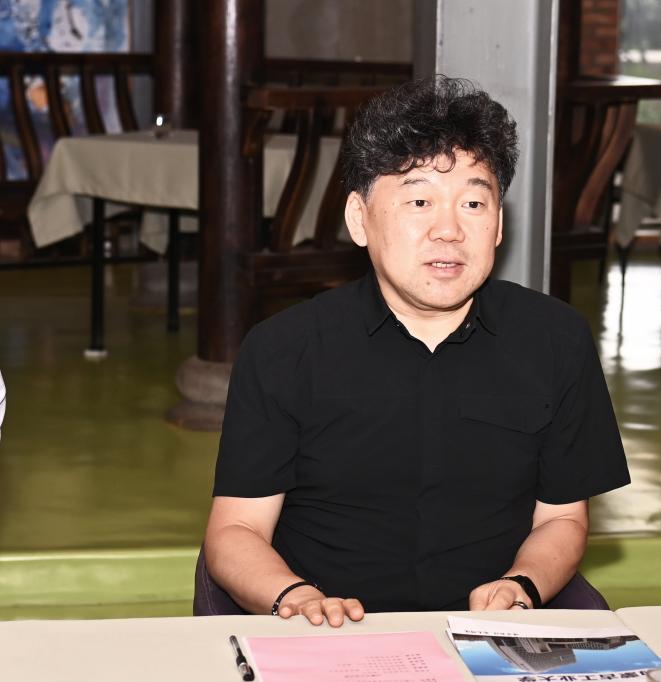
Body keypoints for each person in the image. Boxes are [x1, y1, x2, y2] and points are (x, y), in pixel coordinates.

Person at [204, 76, 629, 627]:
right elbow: (237, 530)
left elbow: (562, 519)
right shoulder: (284, 349)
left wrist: (521, 585)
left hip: (490, 633)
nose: (448, 230)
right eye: (420, 200)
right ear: (359, 219)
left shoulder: (555, 339)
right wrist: (297, 598)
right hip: (330, 632)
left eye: (473, 202)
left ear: (499, 224)